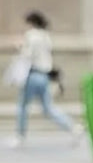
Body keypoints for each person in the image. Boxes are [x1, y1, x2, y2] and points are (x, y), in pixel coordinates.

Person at [9, 12, 78, 147]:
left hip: (33, 74)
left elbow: (27, 55)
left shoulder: (31, 35)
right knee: (48, 108)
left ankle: (20, 136)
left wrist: (19, 47)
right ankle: (73, 128)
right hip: (44, 75)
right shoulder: (46, 36)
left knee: (23, 106)